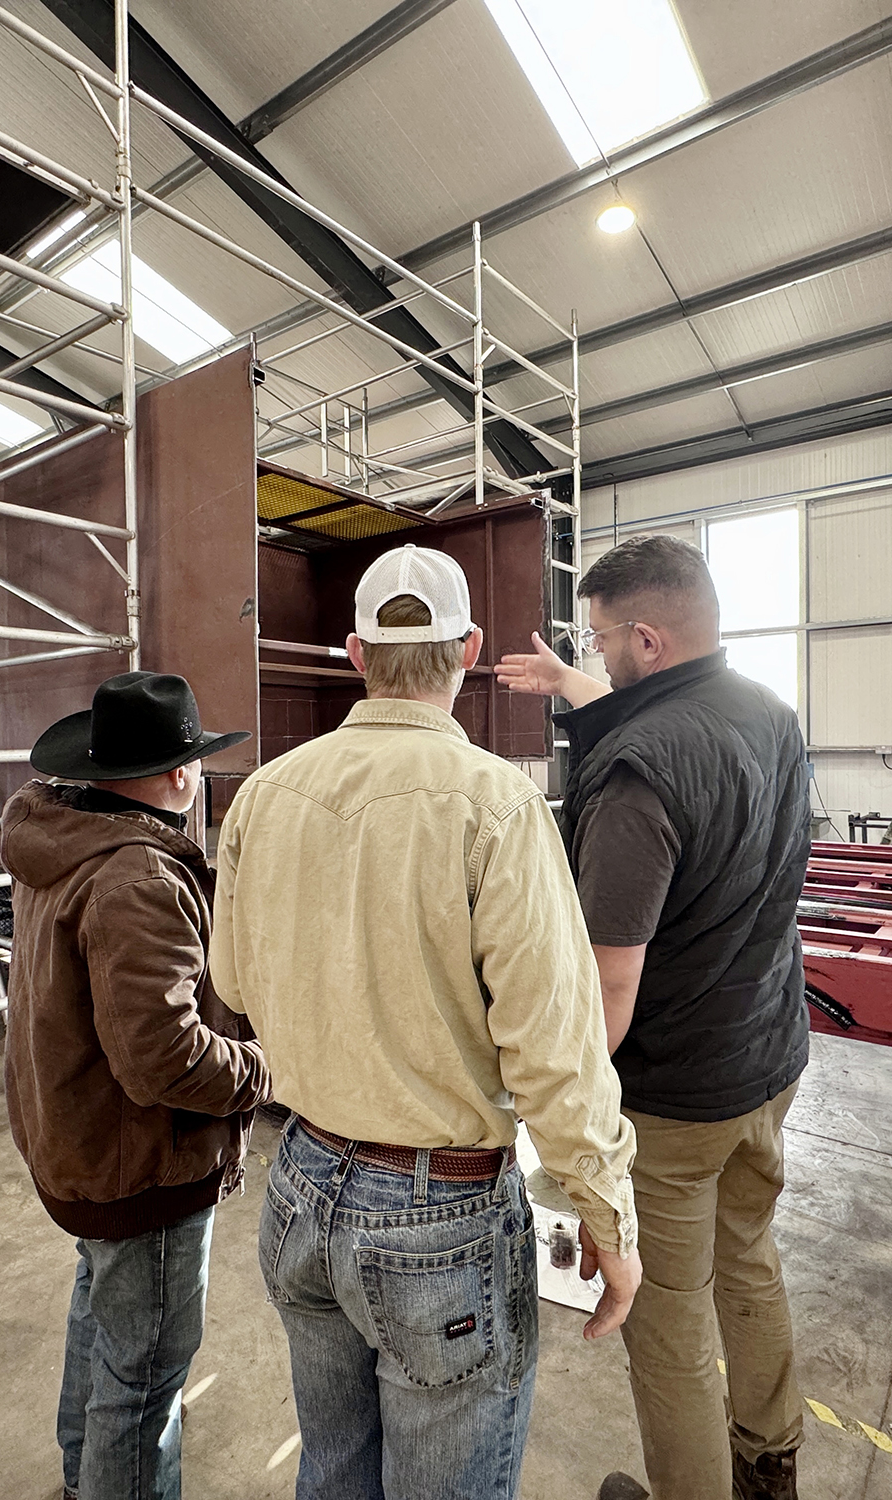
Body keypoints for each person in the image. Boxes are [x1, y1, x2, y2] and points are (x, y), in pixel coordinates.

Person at [210, 543, 643, 1500]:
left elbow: (231, 983)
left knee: (333, 1471)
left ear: (356, 653)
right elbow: (554, 1052)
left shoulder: (263, 797)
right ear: (472, 649)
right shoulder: (498, 805)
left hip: (301, 1188)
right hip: (435, 1215)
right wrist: (607, 1215)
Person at [496, 534, 814, 1500]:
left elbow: (606, 990)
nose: (592, 657)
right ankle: (771, 1461)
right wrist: (568, 686)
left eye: (598, 643)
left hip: (678, 1097)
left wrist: (561, 1120)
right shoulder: (766, 712)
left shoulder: (636, 780)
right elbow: (669, 728)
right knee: (749, 1262)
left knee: (668, 1321)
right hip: (769, 1061)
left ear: (647, 638)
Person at [2, 671, 273, 1500]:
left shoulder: (61, 839)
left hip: (80, 1149)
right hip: (141, 1169)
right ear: (179, 776)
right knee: (147, 1380)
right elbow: (167, 1061)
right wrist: (269, 1068)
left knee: (103, 1317)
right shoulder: (139, 879)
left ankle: (83, 1477)